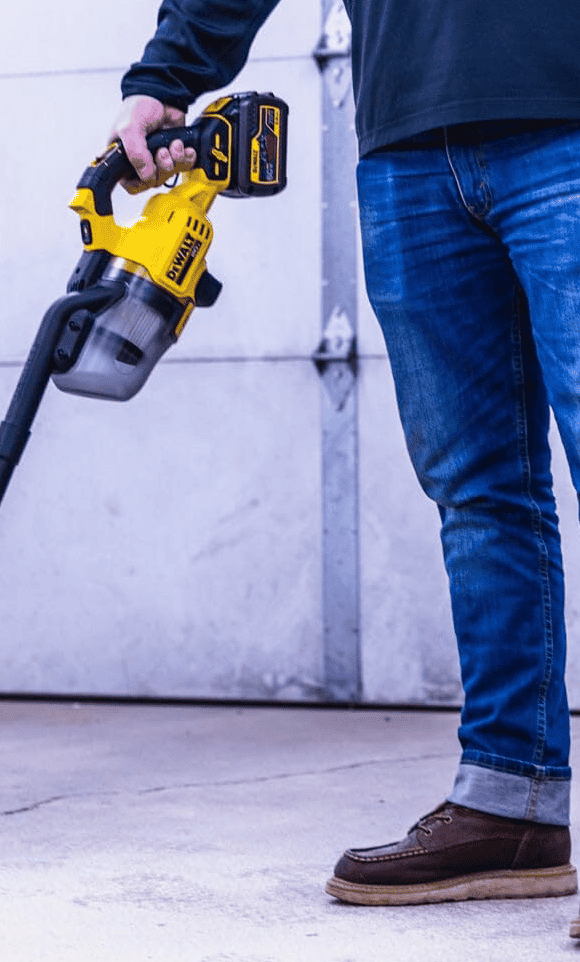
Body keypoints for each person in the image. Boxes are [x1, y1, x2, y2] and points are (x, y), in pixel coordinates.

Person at [109, 0, 580, 930]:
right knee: (477, 490)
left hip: (566, 117)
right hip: (408, 141)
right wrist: (168, 73)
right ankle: (511, 800)